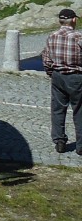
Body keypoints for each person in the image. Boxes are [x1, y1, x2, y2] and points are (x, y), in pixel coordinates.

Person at [41, 8, 82, 154]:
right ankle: (81, 146)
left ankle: (59, 142)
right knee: (79, 110)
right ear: (73, 20)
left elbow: (46, 58)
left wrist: (51, 73)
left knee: (58, 109)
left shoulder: (52, 36)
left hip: (58, 76)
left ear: (60, 21)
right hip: (76, 76)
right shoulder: (78, 37)